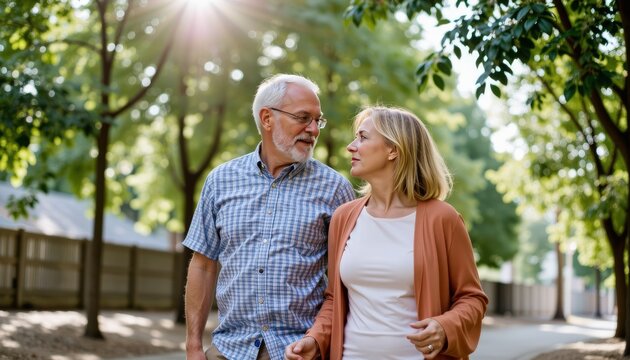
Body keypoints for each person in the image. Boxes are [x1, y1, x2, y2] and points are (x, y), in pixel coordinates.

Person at [285, 106, 488, 360]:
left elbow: (472, 298)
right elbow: (334, 300)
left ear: (394, 149)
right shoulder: (344, 217)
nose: (351, 146)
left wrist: (444, 328)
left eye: (363, 137)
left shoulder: (442, 219)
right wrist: (314, 339)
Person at [183, 74, 355, 360]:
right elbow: (203, 265)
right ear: (267, 118)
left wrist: (319, 339)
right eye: (303, 117)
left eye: (318, 120)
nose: (313, 129)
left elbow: (346, 281)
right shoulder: (220, 181)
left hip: (300, 352)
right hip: (229, 350)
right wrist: (193, 346)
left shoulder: (335, 189)